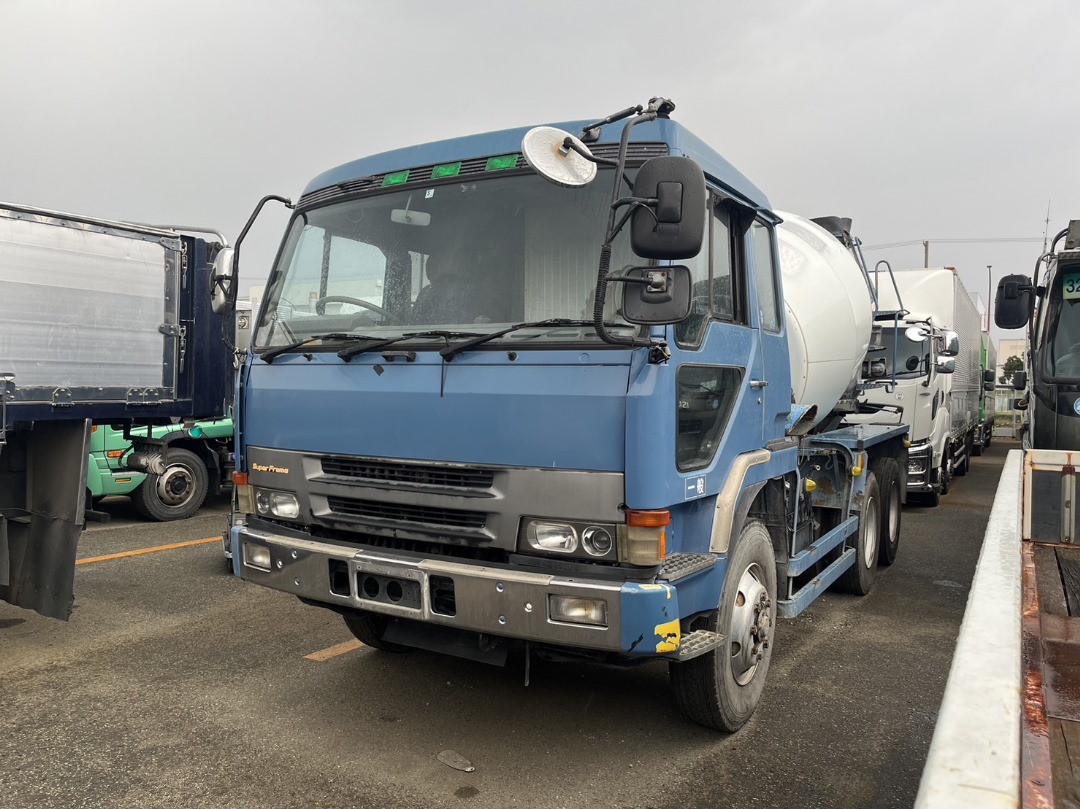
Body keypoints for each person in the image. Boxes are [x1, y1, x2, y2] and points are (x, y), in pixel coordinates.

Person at [410, 255, 473, 324]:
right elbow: (414, 322)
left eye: (435, 267)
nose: (429, 271)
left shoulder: (464, 291)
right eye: (428, 267)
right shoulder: (424, 293)